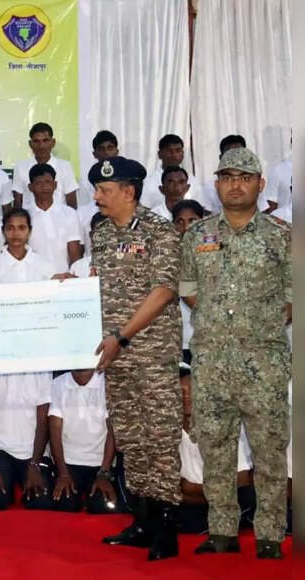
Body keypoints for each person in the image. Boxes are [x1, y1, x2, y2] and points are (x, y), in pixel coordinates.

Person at [178, 147, 291, 559]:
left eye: (244, 178)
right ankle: (221, 530)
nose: (235, 185)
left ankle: (270, 533)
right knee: (215, 446)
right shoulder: (197, 235)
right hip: (211, 361)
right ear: (217, 184)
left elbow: (296, 292)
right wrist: (216, 321)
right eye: (227, 178)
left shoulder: (281, 235)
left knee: (269, 450)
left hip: (264, 362)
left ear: (261, 184)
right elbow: (187, 289)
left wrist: (259, 323)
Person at [90, 155, 183, 561]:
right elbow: (99, 286)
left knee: (160, 438)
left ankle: (166, 529)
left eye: (104, 190)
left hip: (151, 355)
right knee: (131, 438)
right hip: (116, 358)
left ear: (128, 192)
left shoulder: (160, 231)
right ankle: (142, 520)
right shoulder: (101, 234)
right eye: (97, 189)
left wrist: (122, 336)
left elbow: (163, 291)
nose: (97, 196)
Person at [0, 209, 55, 511]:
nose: (16, 233)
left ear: (30, 231)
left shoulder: (44, 266)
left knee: (42, 503)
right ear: (4, 231)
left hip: (36, 348)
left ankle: (35, 463)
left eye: (22, 227)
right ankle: (0, 468)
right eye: (10, 228)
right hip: (1, 347)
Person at [177, 366, 257, 535]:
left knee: (248, 497)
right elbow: (172, 487)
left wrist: (194, 490)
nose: (186, 396)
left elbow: (242, 479)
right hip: (191, 504)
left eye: (191, 390)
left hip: (225, 501)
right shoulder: (167, 432)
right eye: (180, 391)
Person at [43, 369, 122, 515]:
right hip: (68, 462)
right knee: (63, 504)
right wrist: (63, 473)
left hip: (100, 463)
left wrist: (104, 474)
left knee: (103, 506)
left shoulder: (108, 383)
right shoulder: (58, 383)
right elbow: (54, 432)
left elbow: (112, 432)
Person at [25, 163, 83, 272]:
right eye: (38, 183)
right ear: (30, 187)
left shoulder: (69, 214)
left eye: (48, 182)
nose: (44, 187)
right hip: (34, 278)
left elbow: (74, 253)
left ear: (55, 185)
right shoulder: (25, 216)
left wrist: (73, 276)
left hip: (64, 277)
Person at [171, 199, 206, 364]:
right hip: (177, 342)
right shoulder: (165, 256)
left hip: (208, 338)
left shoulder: (216, 255)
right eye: (180, 222)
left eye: (192, 221)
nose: (186, 227)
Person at [13, 122, 79, 209]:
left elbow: (71, 203)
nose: (41, 146)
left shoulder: (65, 166)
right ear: (30, 144)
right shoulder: (20, 167)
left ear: (53, 142)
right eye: (36, 141)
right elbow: (18, 202)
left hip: (59, 216)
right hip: (30, 216)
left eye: (45, 140)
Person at [142, 135, 203, 209]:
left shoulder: (193, 181)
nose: (174, 155)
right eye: (169, 151)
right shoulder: (149, 183)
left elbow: (202, 209)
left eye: (178, 151)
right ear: (160, 154)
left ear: (182, 154)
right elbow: (144, 211)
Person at [75, 130, 121, 216]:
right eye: (101, 149)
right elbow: (83, 211)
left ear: (117, 151)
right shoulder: (85, 180)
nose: (106, 152)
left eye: (110, 148)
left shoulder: (126, 176)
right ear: (94, 154)